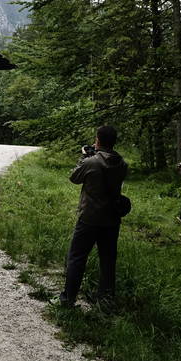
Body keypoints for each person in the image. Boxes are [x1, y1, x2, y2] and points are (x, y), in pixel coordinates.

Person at [54, 125, 128, 307]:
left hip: (89, 218)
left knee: (77, 258)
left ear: (98, 140)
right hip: (112, 219)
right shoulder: (122, 164)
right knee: (108, 260)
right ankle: (105, 300)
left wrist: (85, 157)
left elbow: (74, 178)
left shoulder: (91, 162)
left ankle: (68, 299)